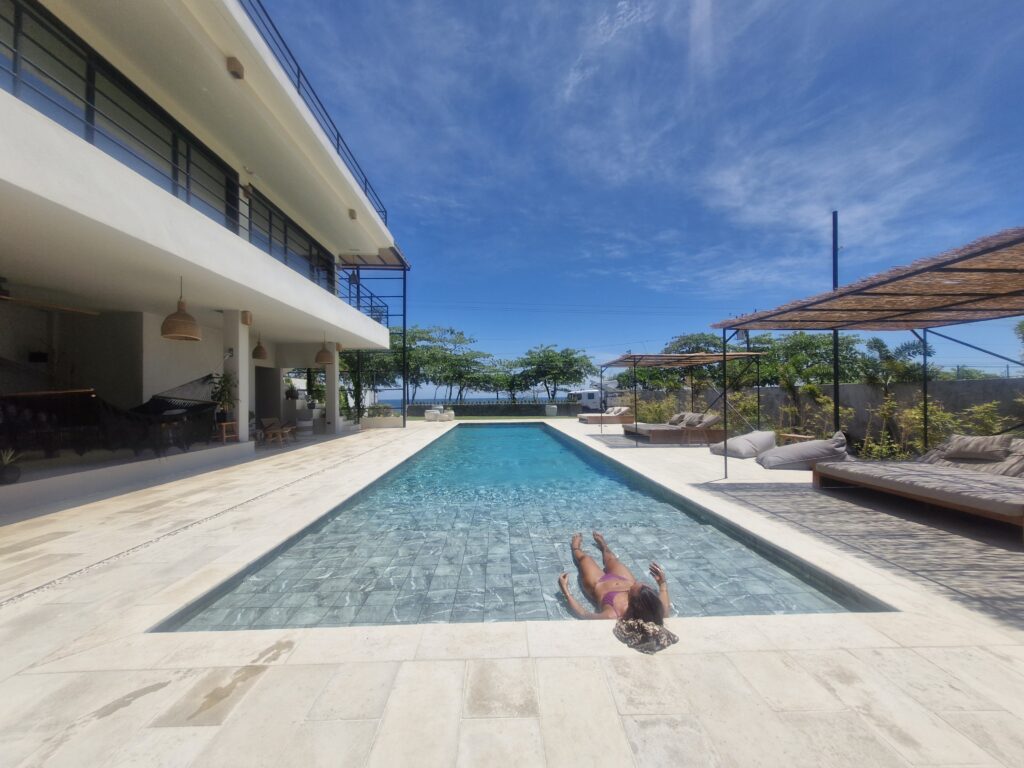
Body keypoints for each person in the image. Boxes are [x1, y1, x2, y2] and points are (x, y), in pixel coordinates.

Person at [558, 531, 670, 622]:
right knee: (612, 560)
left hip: (598, 584)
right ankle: (603, 546)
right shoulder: (656, 610)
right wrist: (662, 583)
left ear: (633, 602)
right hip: (623, 578)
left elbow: (584, 614)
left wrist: (566, 591)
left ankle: (575, 547)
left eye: (631, 589)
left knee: (585, 559)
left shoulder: (612, 614)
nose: (631, 586)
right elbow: (664, 605)